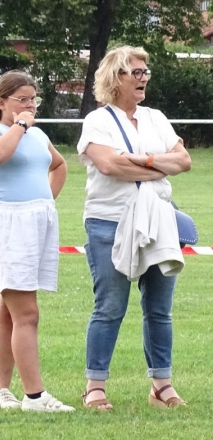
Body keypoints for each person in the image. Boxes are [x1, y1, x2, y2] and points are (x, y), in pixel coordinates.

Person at [77, 45, 191, 410]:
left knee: (160, 308)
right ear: (116, 78)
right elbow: (109, 166)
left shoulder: (156, 117)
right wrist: (161, 166)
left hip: (159, 218)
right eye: (136, 73)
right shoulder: (97, 121)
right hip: (109, 221)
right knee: (109, 306)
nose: (144, 79)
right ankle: (95, 388)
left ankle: (162, 385)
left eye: (146, 72)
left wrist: (143, 160)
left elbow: (184, 160)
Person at [0, 70, 75, 413]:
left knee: (9, 313)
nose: (30, 105)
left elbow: (59, 165)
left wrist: (44, 203)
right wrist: (19, 124)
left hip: (36, 225)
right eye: (23, 99)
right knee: (27, 313)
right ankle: (35, 396)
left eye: (34, 99)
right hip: (7, 225)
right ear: (1, 102)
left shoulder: (37, 134)